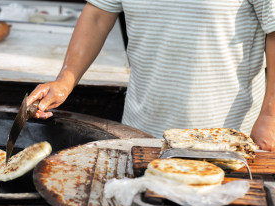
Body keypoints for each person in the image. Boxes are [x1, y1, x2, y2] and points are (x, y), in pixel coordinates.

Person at [27, 1, 275, 152]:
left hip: (224, 141)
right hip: (140, 137)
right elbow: (97, 16)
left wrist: (271, 114)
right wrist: (65, 79)